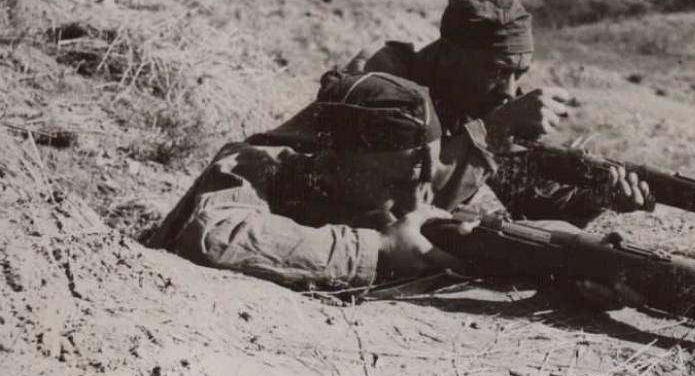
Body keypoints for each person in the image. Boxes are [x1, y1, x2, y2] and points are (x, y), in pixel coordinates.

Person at [345, 0, 653, 226]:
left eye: (519, 73)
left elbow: (532, 203)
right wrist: (493, 130)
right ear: (450, 55)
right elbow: (397, 212)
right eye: (497, 71)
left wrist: (598, 197)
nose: (509, 91)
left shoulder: (476, 92)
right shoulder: (384, 82)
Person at [147, 72, 460, 289]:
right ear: (332, 158)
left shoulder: (355, 190)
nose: (412, 204)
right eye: (393, 184)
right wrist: (379, 247)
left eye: (422, 184)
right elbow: (214, 234)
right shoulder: (253, 164)